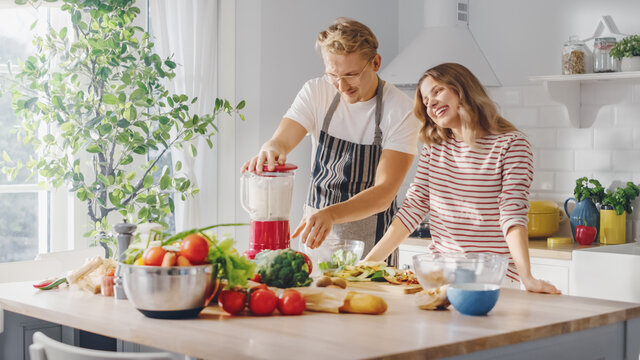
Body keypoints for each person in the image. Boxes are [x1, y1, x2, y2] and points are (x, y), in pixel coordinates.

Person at [363, 63, 560, 293]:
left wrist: (527, 277)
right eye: (426, 101)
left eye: (437, 91)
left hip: (491, 280)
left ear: (462, 89)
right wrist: (368, 265)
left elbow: (512, 213)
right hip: (440, 278)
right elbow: (413, 208)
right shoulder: (434, 148)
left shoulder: (511, 144)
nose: (432, 103)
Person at [242, 18, 421, 263]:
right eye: (332, 75)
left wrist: (331, 214)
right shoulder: (316, 91)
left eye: (351, 75)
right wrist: (271, 149)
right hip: (316, 243)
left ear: (376, 63)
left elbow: (384, 193)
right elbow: (281, 142)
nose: (341, 85)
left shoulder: (401, 110)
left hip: (371, 250)